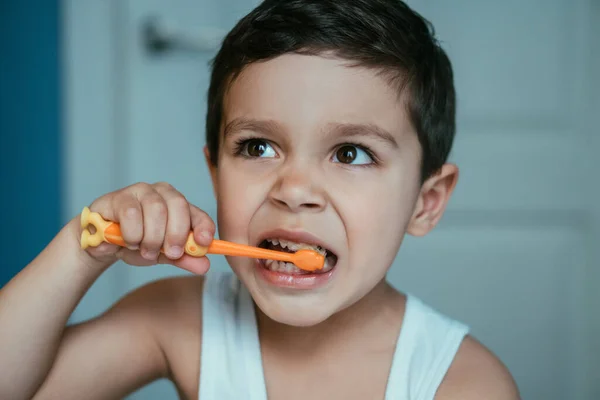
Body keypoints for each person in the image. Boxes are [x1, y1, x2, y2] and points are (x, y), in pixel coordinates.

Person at [0, 0, 521, 399]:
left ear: (425, 203)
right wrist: (81, 247)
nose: (293, 190)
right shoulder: (179, 319)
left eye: (351, 154)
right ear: (215, 171)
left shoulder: (461, 382)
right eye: (258, 147)